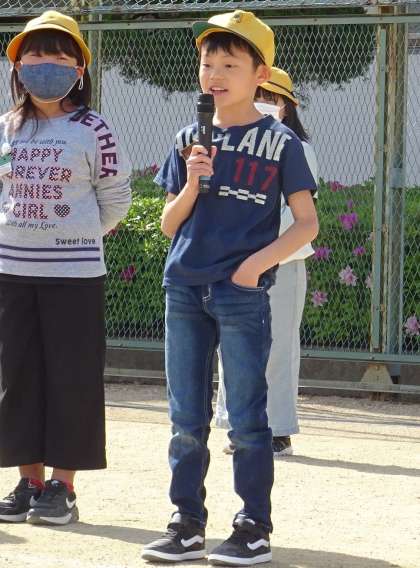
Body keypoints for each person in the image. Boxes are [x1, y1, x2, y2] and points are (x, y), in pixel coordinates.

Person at [142, 10, 318, 566]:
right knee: (185, 419)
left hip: (242, 293)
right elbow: (169, 224)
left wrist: (254, 266)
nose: (215, 75)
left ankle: (252, 527)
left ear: (260, 74)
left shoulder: (281, 142)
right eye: (207, 64)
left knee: (246, 417)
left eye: (230, 65)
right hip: (184, 289)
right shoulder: (188, 138)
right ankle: (186, 523)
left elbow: (307, 224)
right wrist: (192, 182)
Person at [0, 11, 131, 526]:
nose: (46, 63)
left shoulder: (95, 128)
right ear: (17, 66)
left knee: (71, 379)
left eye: (59, 55)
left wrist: (75, 237)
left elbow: (115, 199)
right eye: (35, 54)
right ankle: (29, 481)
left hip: (75, 277)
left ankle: (63, 487)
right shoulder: (6, 127)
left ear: (79, 69)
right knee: (17, 378)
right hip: (11, 273)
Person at [216, 67, 318, 458]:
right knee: (233, 345)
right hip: (233, 263)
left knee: (278, 348)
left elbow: (299, 216)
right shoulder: (228, 142)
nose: (262, 104)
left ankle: (277, 430)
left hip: (283, 262)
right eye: (257, 95)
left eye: (270, 98)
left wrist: (260, 254)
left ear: (287, 106)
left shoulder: (297, 148)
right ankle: (240, 425)